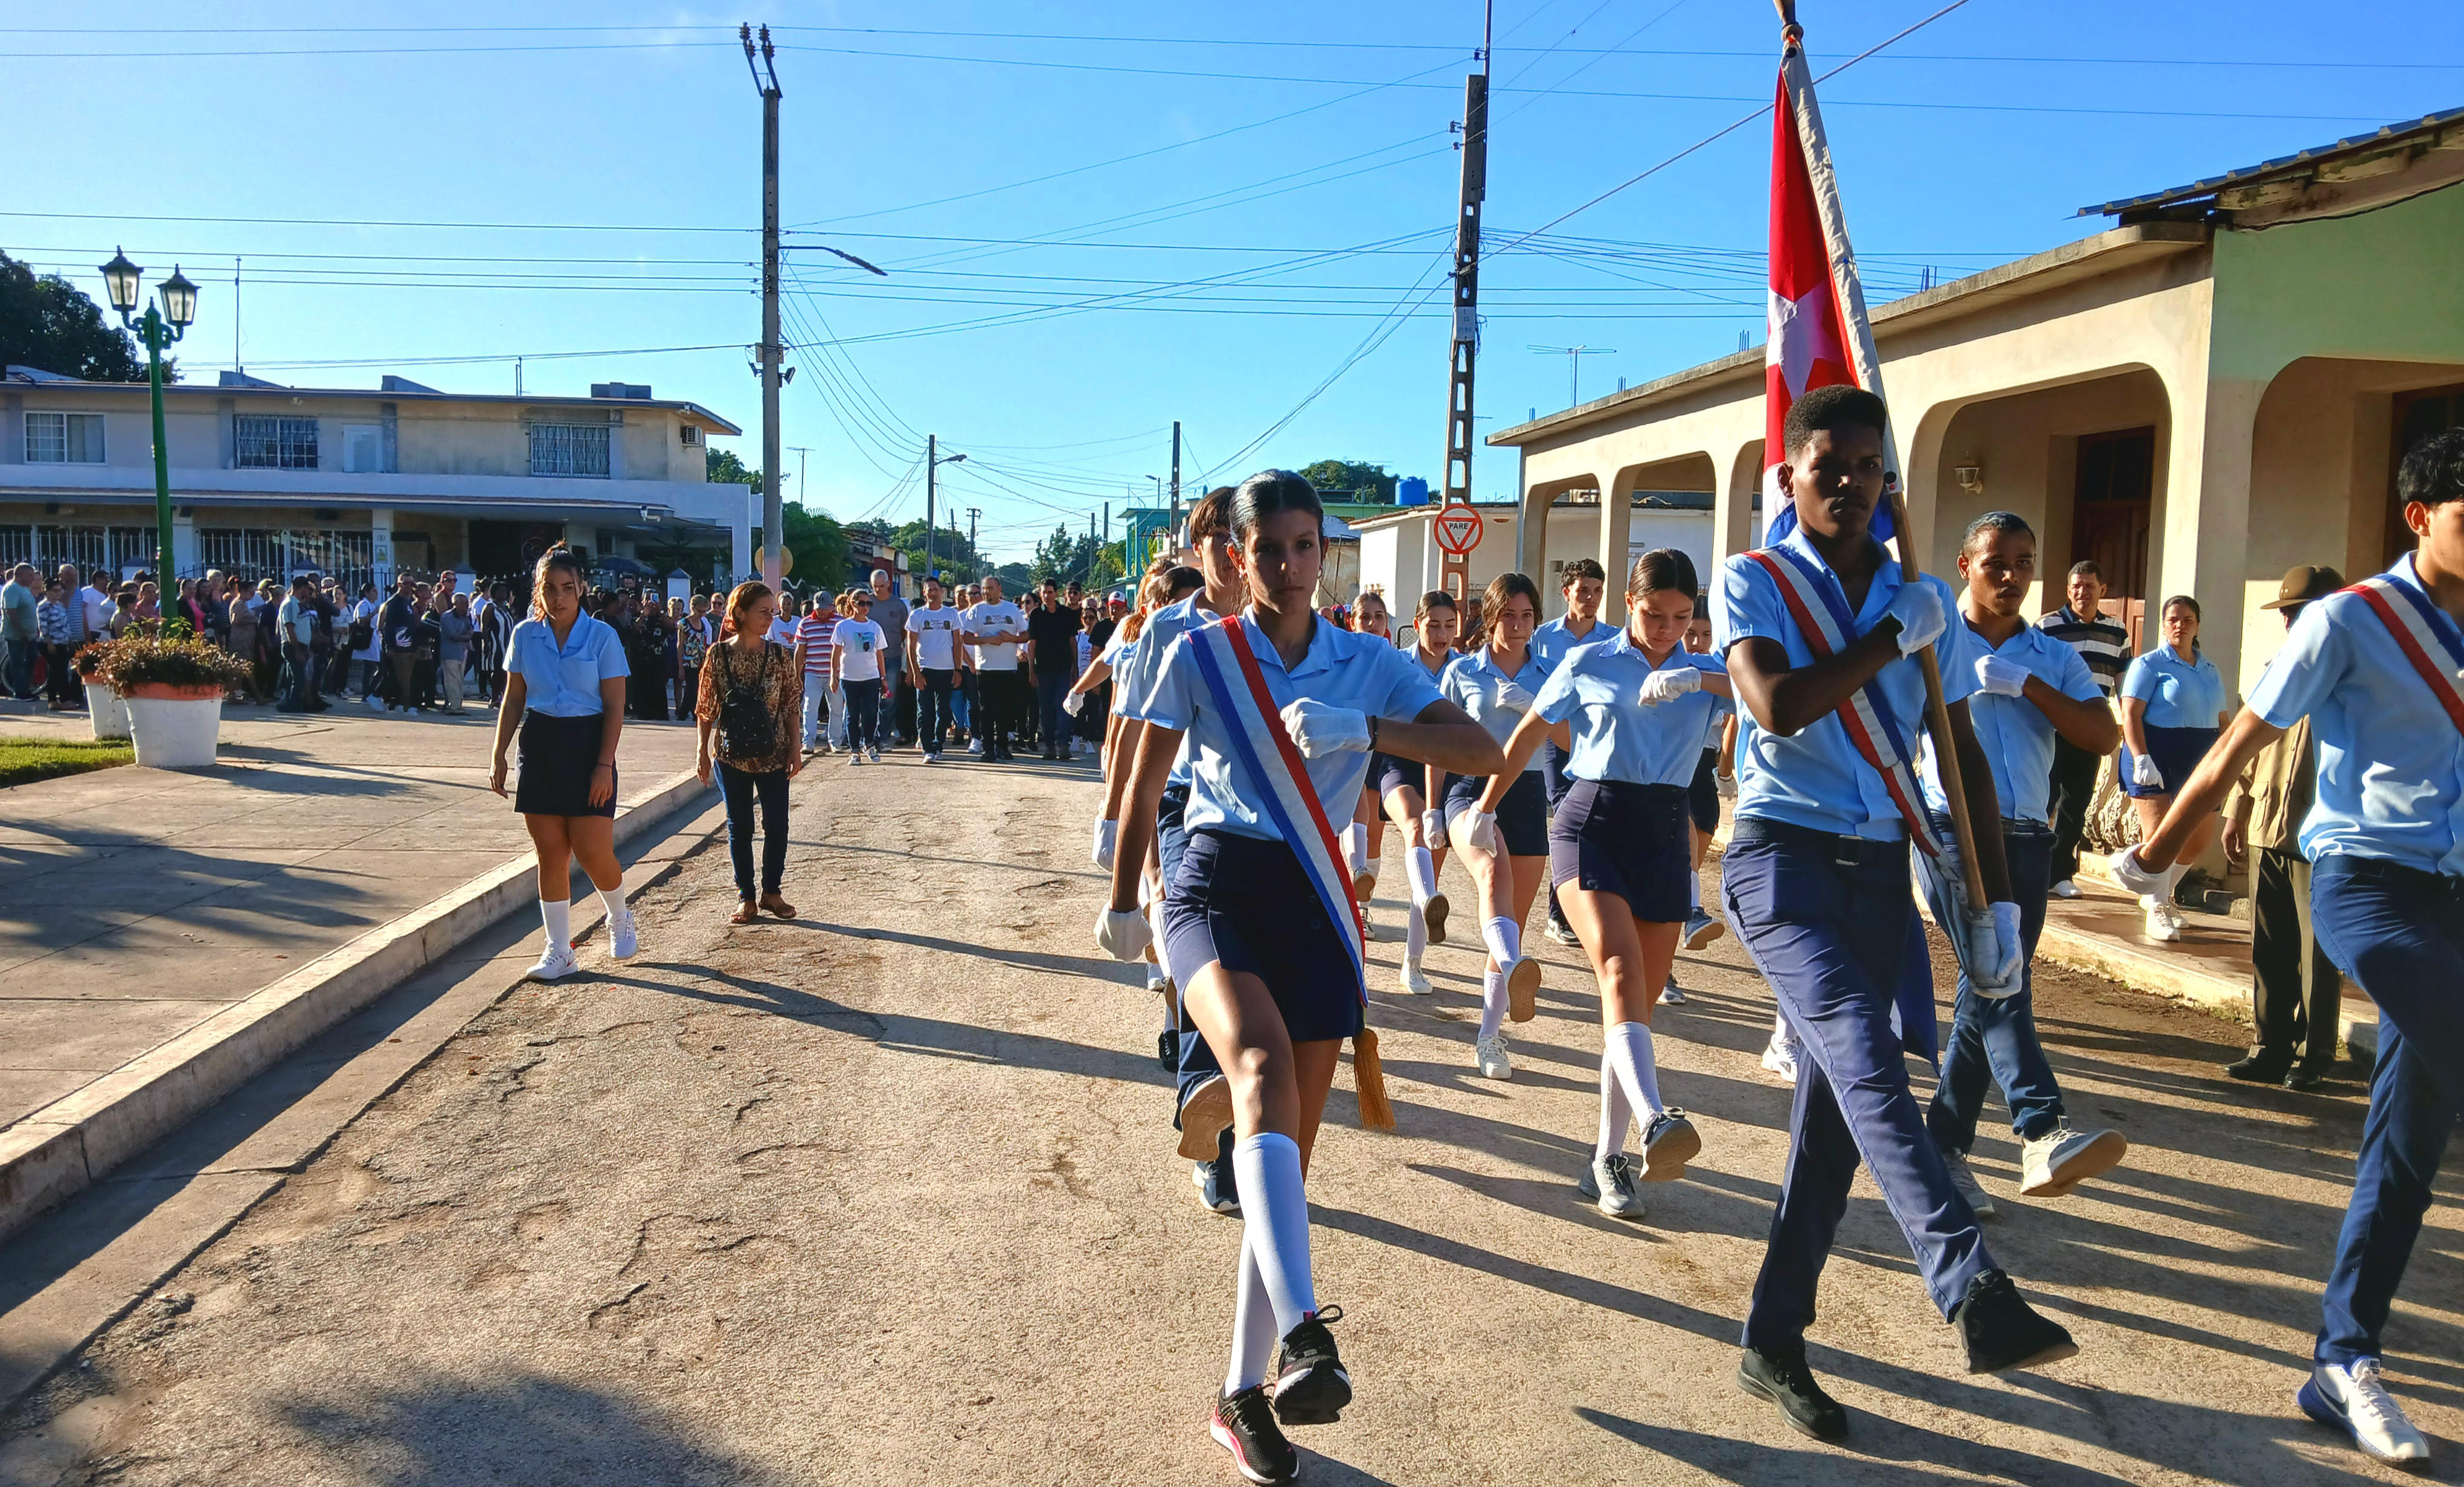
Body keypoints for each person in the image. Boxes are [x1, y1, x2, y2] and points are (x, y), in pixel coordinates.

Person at [1096, 470, 1500, 1485]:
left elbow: (1481, 745)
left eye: (1304, 545)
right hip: (1215, 885)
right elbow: (1143, 768)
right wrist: (1122, 895)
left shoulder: (1370, 661)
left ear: (1328, 553)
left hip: (1320, 909)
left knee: (1285, 1164)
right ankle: (1309, 1336)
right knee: (1262, 1075)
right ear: (1234, 556)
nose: (1285, 564)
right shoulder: (1199, 651)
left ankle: (1241, 1393)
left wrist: (1369, 731)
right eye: (1265, 548)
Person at [1715, 385, 2070, 1442]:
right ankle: (1971, 1282)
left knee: (1832, 1128)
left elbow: (1958, 760)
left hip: (1878, 874)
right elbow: (1776, 705)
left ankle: (1773, 1338)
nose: (1851, 485)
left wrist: (1994, 904)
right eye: (1829, 466)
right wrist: (1885, 635)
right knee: (1867, 1055)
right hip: (1782, 863)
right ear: (1791, 476)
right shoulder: (1758, 579)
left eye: (1869, 468)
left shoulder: (1921, 602)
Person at [2113, 428, 2464, 1469]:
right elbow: (2237, 742)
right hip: (2369, 883)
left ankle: (2342, 1360)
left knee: (2405, 1152)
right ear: (2421, 516)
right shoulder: (2353, 621)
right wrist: (2160, 855)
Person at [1483, 549, 1730, 1220]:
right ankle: (1654, 1120)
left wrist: (1698, 683)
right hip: (1590, 821)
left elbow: (1775, 692)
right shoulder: (1589, 660)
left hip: (1662, 834)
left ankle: (1607, 1158)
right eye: (1653, 614)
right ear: (1628, 602)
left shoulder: (1707, 669)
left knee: (1635, 1014)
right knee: (1618, 972)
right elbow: (1530, 733)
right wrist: (1482, 810)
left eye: (1682, 617)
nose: (1666, 629)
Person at [1914, 512, 2129, 1221]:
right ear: (1964, 566)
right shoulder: (1933, 642)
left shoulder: (2053, 653)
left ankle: (1942, 1146)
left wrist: (2027, 686)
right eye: (1995, 563)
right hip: (1953, 830)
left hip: (2027, 839)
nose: (2010, 577)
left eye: (2024, 563)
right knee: (1998, 970)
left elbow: (2102, 735)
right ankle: (2041, 1128)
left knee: (1993, 985)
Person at [2221, 564, 2347, 1091]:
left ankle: (2316, 1054)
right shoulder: (2277, 669)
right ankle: (2270, 1045)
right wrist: (2236, 808)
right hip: (2268, 826)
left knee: (2318, 951)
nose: (2293, 622)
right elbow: (2247, 747)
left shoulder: (2350, 678)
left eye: (2302, 612)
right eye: (2288, 613)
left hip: (2320, 834)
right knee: (2268, 944)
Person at [489, 547, 637, 982]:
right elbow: (515, 697)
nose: (559, 598)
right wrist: (499, 752)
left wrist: (604, 765)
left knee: (593, 851)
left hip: (588, 743)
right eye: (550, 588)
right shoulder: (525, 635)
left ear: (581, 589)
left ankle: (619, 914)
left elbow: (615, 704)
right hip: (539, 745)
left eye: (568, 588)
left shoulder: (601, 637)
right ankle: (560, 949)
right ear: (539, 589)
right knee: (550, 853)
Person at [1439, 573, 1555, 1079]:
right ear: (1490, 618)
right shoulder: (1463, 671)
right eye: (1509, 614)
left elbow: (1573, 737)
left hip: (1528, 795)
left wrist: (1534, 708)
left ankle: (1490, 1035)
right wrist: (1426, 810)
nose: (1518, 624)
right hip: (1470, 787)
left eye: (1527, 615)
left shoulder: (1550, 673)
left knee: (1509, 921)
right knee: (1491, 869)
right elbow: (1436, 739)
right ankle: (1514, 968)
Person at [2119, 595, 2231, 942]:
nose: (2179, 625)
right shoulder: (2149, 665)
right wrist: (2141, 757)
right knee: (2160, 837)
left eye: (2186, 620)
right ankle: (2156, 905)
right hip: (2156, 752)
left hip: (2200, 757)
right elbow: (2130, 714)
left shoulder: (2210, 670)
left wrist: (2228, 760)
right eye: (2172, 620)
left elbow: (2223, 721)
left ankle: (2159, 894)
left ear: (2198, 625)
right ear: (2163, 625)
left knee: (2196, 840)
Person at [697, 580, 804, 924]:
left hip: (774, 753)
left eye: (772, 612)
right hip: (731, 755)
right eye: (763, 612)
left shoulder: (778, 655)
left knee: (777, 824)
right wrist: (701, 750)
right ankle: (747, 897)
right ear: (739, 613)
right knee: (739, 826)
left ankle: (772, 891)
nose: (770, 618)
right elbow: (706, 708)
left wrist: (796, 748)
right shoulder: (718, 655)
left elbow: (791, 703)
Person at [1531, 557, 1612, 946]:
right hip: (1554, 739)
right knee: (1566, 813)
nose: (1591, 598)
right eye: (1584, 591)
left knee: (1591, 824)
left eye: (1598, 591)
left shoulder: (1613, 640)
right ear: (1567, 593)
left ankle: (1575, 908)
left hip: (1596, 743)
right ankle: (1558, 913)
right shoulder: (1542, 638)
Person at [2037, 561, 2129, 898]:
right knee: (2042, 798)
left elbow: (2123, 682)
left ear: (2102, 590)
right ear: (2068, 590)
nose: (2082, 592)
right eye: (2076, 586)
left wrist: (2127, 727)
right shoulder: (2047, 626)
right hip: (2052, 726)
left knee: (2076, 802)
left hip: (2091, 727)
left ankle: (2060, 873)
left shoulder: (2117, 631)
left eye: (2089, 586)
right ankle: (2030, 867)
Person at [964, 577, 1028, 763]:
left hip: (1008, 667)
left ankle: (1002, 747)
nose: (986, 592)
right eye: (984, 589)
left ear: (999, 589)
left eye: (990, 588)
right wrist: (987, 640)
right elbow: (967, 638)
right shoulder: (977, 610)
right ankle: (988, 750)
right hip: (986, 668)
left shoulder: (1011, 609)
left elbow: (1025, 635)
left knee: (1006, 710)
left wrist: (1011, 638)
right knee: (987, 711)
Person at [906, 577, 964, 761]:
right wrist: (915, 673)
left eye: (935, 589)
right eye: (929, 590)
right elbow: (911, 645)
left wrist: (958, 669)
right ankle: (928, 748)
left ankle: (939, 744)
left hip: (946, 670)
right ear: (924, 593)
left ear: (942, 592)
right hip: (925, 670)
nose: (933, 593)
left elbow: (957, 643)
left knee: (944, 711)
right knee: (925, 711)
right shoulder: (917, 615)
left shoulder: (951, 614)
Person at [834, 589, 889, 763]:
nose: (866, 607)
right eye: (862, 603)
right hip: (849, 677)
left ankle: (870, 745)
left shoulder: (874, 627)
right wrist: (832, 675)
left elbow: (879, 653)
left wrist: (883, 677)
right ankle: (854, 750)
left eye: (869, 604)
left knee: (871, 713)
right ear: (853, 603)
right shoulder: (843, 627)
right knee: (852, 714)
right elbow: (835, 653)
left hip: (871, 677)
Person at [868, 569, 912, 747]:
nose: (878, 590)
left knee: (889, 699)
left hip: (892, 657)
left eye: (881, 586)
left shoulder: (899, 605)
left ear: (888, 583)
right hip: (869, 660)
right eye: (875, 587)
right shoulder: (867, 602)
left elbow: (905, 631)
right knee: (870, 700)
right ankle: (868, 737)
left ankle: (883, 737)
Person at [793, 594, 837, 755]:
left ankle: (835, 742)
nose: (822, 612)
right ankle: (808, 742)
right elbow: (800, 651)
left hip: (835, 673)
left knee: (837, 708)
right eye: (819, 609)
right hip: (813, 672)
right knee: (809, 707)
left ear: (831, 607)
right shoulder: (805, 623)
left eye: (825, 609)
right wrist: (797, 674)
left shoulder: (839, 622)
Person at [274, 577, 320, 712]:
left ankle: (287, 704)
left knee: (293, 678)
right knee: (298, 679)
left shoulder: (298, 604)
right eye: (307, 589)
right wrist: (297, 650)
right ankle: (293, 706)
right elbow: (289, 627)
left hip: (301, 646)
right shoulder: (290, 604)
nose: (309, 592)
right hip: (293, 646)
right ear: (301, 588)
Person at [2, 563, 40, 700]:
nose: (33, 578)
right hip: (17, 636)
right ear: (20, 575)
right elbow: (11, 612)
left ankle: (27, 689)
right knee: (18, 663)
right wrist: (21, 632)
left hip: (29, 635)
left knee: (30, 660)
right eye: (30, 575)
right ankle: (20, 692)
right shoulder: (12, 589)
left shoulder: (25, 589)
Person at [37, 578, 77, 711]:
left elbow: (65, 625)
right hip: (50, 643)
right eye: (55, 591)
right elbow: (43, 626)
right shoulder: (43, 606)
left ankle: (53, 700)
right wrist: (49, 642)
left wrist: (69, 641)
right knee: (60, 673)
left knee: (56, 673)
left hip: (63, 642)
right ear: (47, 591)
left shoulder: (60, 605)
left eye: (60, 590)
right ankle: (65, 700)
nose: (58, 593)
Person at [438, 592, 476, 715]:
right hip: (450, 654)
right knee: (452, 681)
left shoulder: (464, 617)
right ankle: (453, 707)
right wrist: (467, 636)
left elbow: (471, 630)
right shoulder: (447, 617)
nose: (467, 605)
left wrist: (467, 636)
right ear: (455, 604)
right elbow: (454, 636)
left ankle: (458, 705)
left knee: (459, 680)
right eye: (464, 603)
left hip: (461, 653)